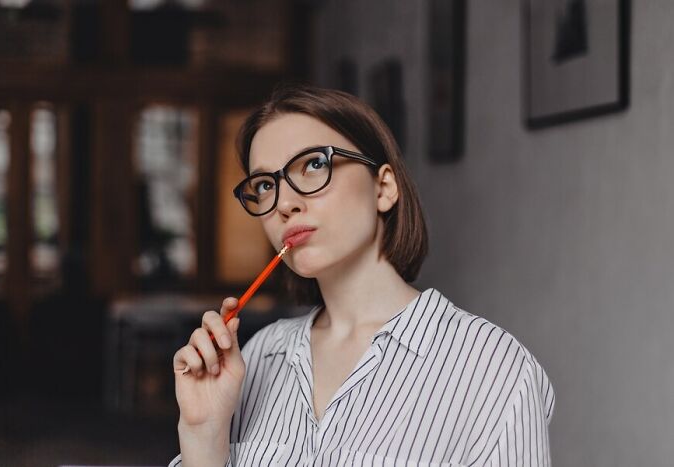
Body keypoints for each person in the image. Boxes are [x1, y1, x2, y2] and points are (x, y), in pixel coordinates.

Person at [169, 84, 555, 466]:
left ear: (383, 188)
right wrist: (203, 435)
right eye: (266, 185)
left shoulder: (494, 368)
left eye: (314, 164)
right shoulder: (258, 356)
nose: (285, 204)